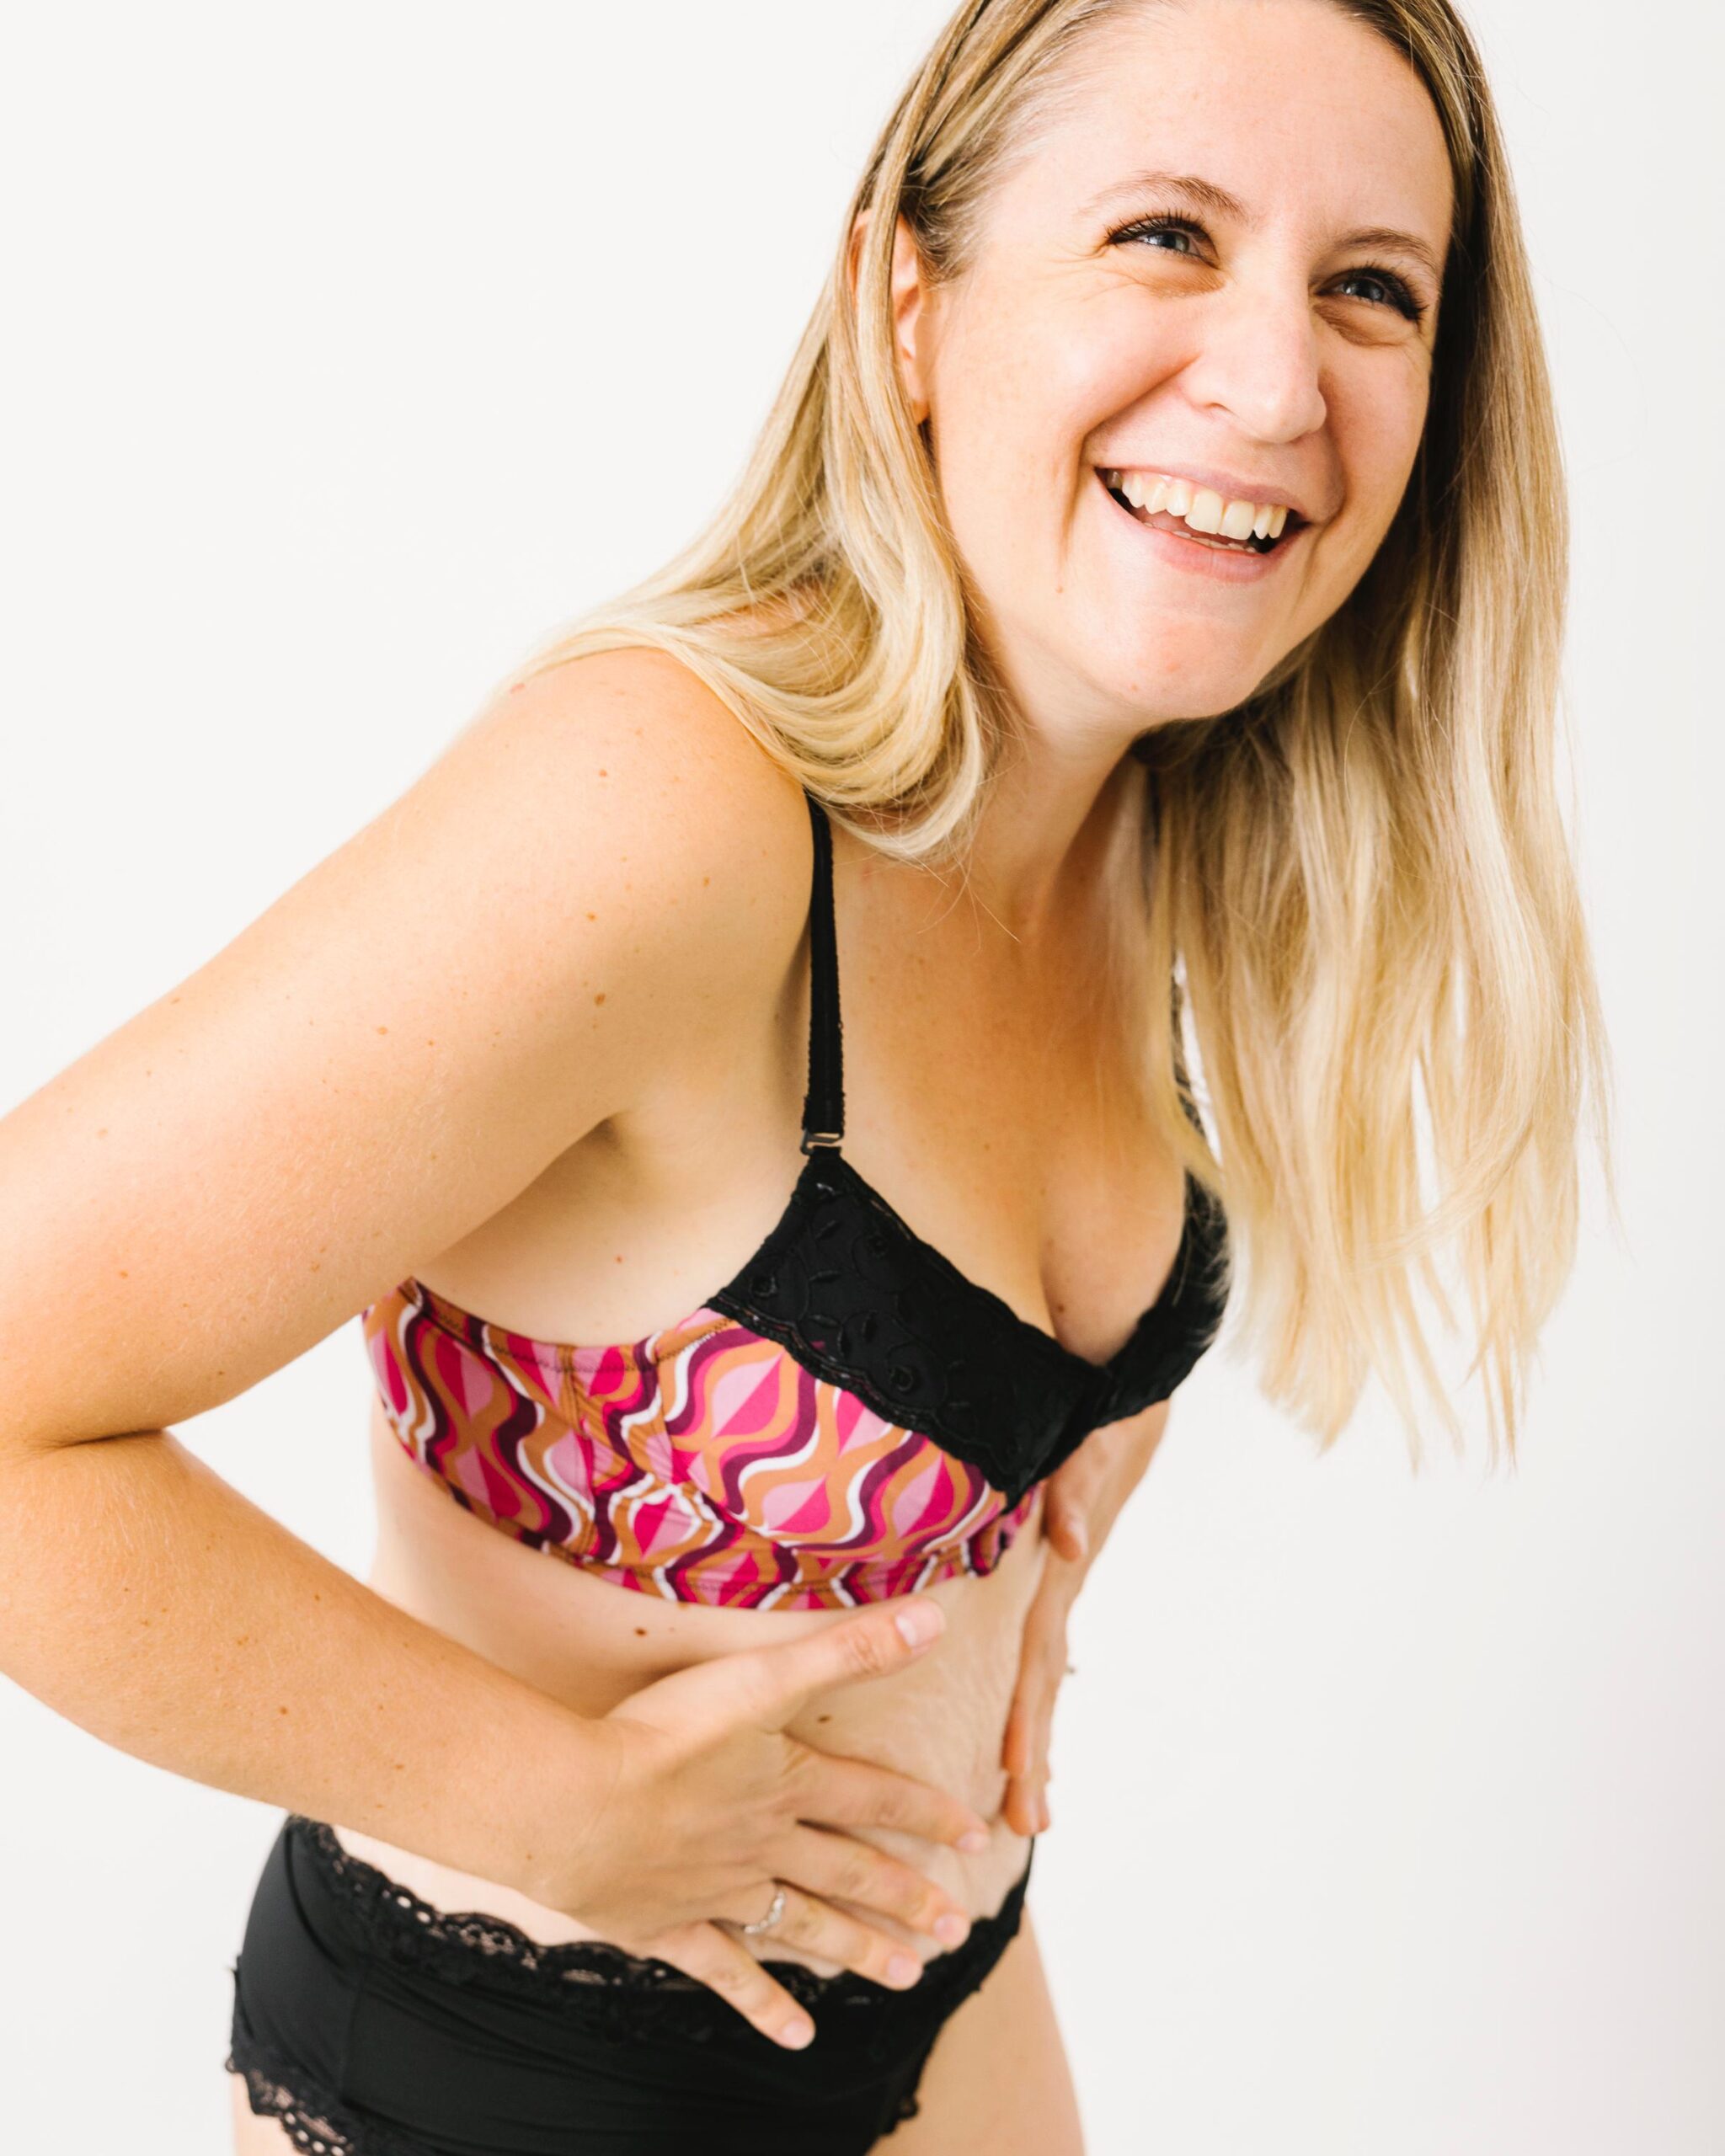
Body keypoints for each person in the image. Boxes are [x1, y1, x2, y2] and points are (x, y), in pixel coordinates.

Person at [0, 1, 1608, 2150]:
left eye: (1370, 288)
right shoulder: (669, 811)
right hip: (528, 2072)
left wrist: (1032, 1512)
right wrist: (554, 1806)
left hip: (948, 1984)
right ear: (907, 301)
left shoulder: (1154, 808)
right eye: (1164, 235)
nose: (1272, 378)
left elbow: (989, 1322)